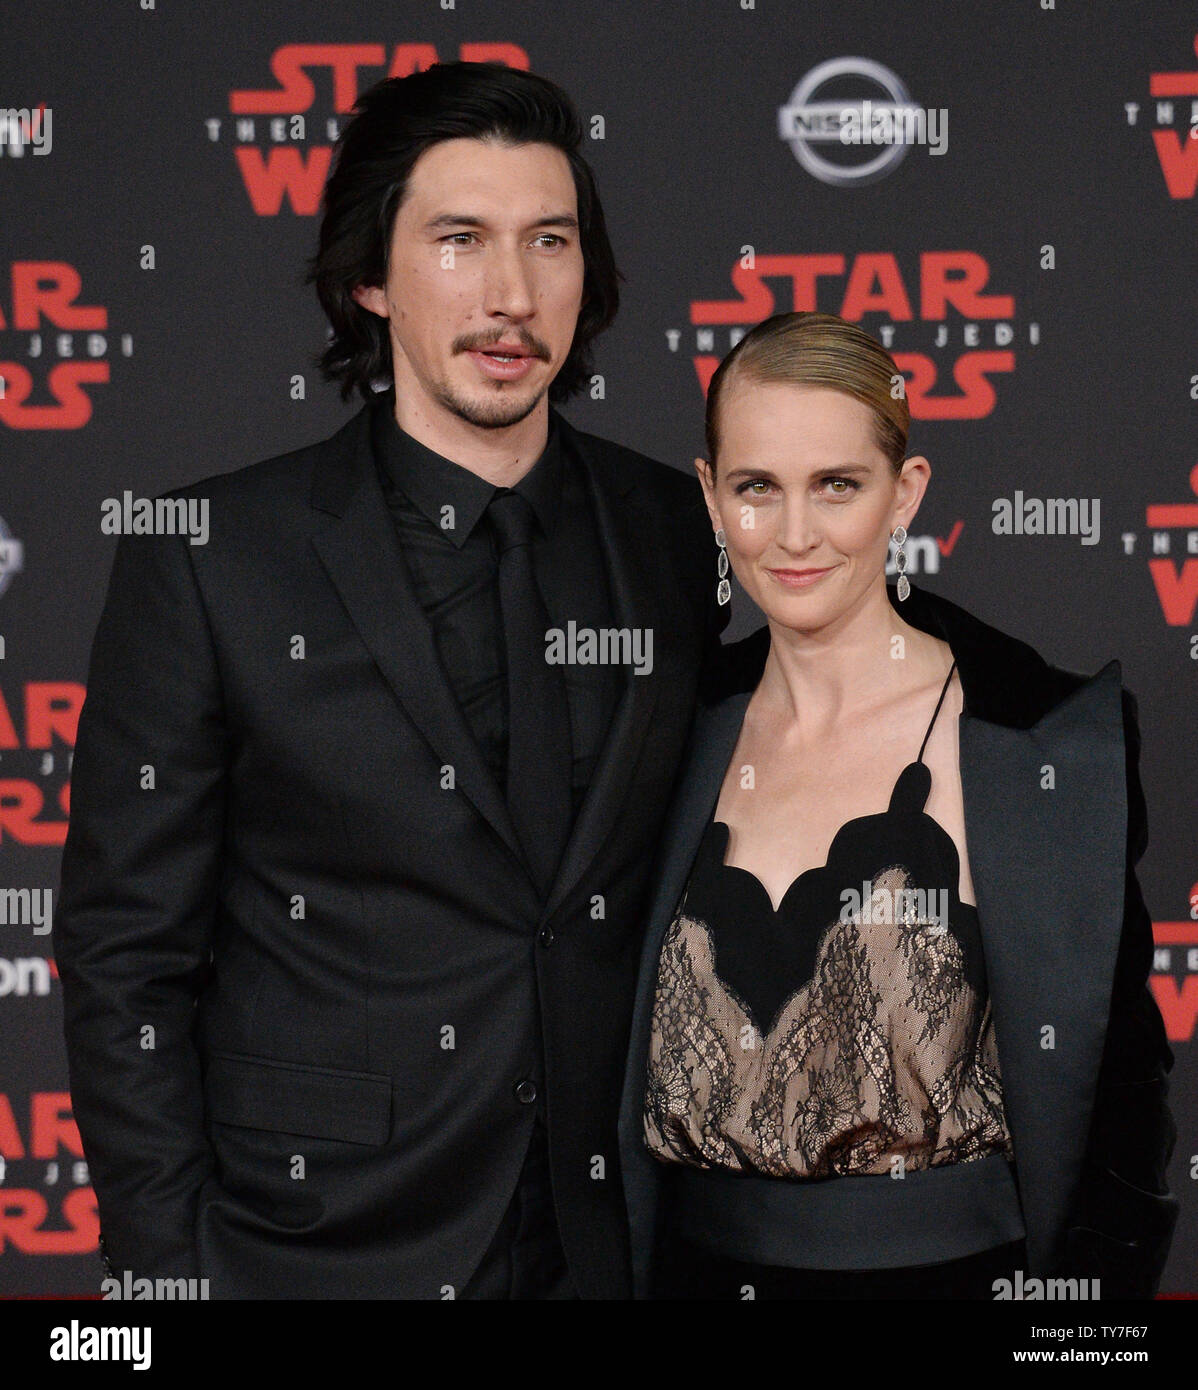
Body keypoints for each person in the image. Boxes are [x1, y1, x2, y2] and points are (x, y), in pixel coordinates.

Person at [55, 61, 728, 1299]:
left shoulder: (673, 531)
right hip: (311, 1245)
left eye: (549, 241)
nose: (511, 293)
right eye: (459, 241)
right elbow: (124, 954)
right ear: (370, 275)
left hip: (618, 1244)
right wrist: (167, 1273)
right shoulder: (212, 555)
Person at [618, 310, 1179, 1299]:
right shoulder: (658, 729)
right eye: (757, 487)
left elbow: (1123, 1120)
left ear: (903, 492)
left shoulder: (1042, 741)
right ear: (710, 496)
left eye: (837, 484)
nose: (795, 534)